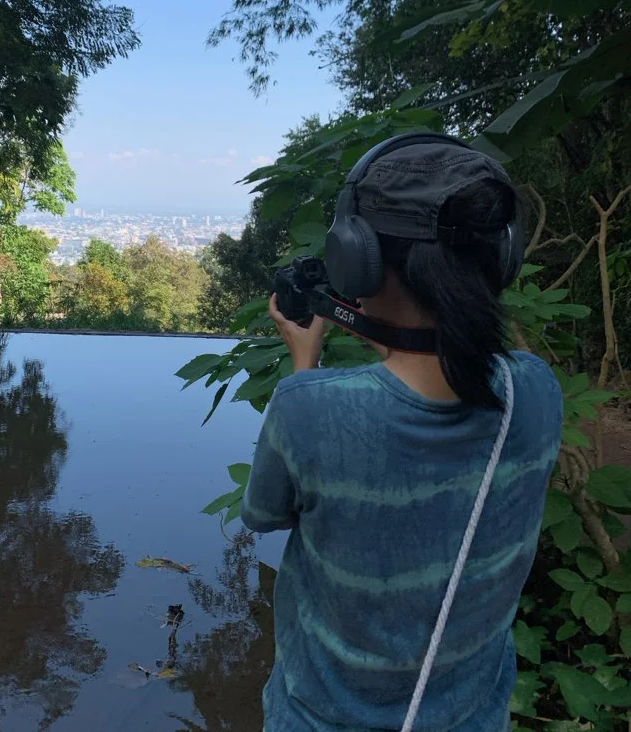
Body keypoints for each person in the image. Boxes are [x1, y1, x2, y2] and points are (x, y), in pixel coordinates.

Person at [241, 133, 563, 732]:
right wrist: (397, 338)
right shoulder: (536, 390)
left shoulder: (307, 410)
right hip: (470, 716)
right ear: (503, 258)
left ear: (355, 260)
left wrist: (304, 367)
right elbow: (452, 374)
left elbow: (263, 515)